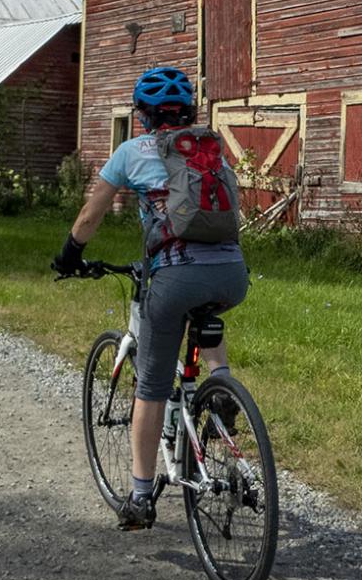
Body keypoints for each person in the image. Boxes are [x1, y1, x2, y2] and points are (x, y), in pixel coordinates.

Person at [52, 66, 248, 531]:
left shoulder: (129, 152)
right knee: (206, 309)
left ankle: (140, 496)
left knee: (152, 387)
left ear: (144, 116)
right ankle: (221, 385)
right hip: (232, 273)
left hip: (175, 277)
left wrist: (68, 256)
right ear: (188, 113)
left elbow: (90, 214)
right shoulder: (209, 149)